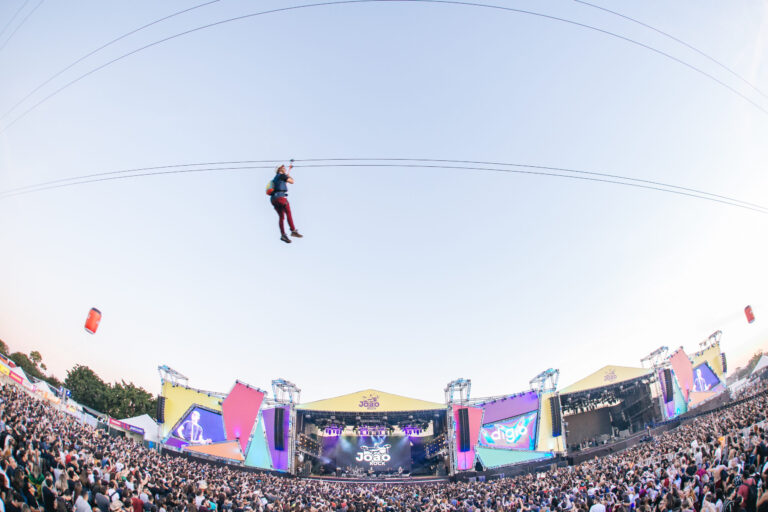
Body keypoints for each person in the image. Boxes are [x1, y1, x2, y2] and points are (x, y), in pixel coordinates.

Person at [268, 164, 302, 244]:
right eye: (283, 167)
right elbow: (292, 181)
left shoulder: (275, 179)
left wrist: (286, 176)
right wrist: (288, 176)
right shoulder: (282, 175)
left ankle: (283, 235)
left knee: (281, 217)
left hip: (273, 199)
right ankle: (293, 230)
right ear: (280, 169)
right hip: (281, 198)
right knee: (288, 212)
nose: (285, 168)